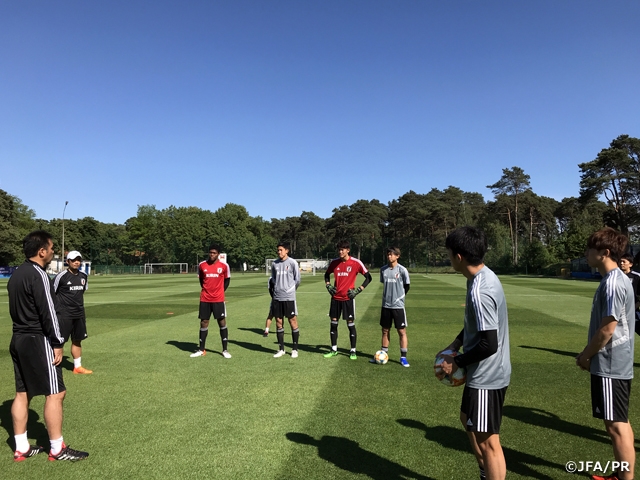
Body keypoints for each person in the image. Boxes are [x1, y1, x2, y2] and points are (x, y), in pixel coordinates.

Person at [8, 230, 88, 462]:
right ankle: (57, 448)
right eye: (51, 247)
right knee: (56, 392)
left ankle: (21, 447)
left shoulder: (16, 274)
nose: (53, 251)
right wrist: (57, 342)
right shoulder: (39, 275)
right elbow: (49, 312)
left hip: (18, 338)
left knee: (22, 393)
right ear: (41, 251)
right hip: (38, 339)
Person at [437, 227, 510, 480]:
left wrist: (455, 362)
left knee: (489, 442)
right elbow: (476, 325)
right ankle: (485, 473)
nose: (448, 257)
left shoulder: (481, 289)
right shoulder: (479, 278)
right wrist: (455, 344)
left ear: (458, 257)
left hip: (487, 376)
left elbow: (489, 344)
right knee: (466, 418)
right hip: (482, 373)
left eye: (448, 253)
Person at [576, 228, 635, 480]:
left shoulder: (612, 283)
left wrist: (585, 355)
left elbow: (607, 330)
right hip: (616, 363)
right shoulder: (616, 280)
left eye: (591, 248)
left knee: (615, 426)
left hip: (611, 364)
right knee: (620, 421)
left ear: (605, 253)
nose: (587, 253)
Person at [323, 240, 372, 360]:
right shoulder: (334, 262)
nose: (340, 252)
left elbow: (368, 277)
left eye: (342, 249)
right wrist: (328, 285)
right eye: (339, 249)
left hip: (348, 298)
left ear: (348, 250)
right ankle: (334, 349)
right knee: (333, 323)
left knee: (350, 324)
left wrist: (358, 290)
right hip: (335, 298)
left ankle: (353, 351)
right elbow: (326, 274)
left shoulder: (356, 263)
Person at [370, 246, 411, 367]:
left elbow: (407, 286)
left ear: (397, 256)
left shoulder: (402, 270)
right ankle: (383, 354)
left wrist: (399, 298)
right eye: (388, 254)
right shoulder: (383, 270)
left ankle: (403, 357)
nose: (389, 256)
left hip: (398, 306)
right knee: (385, 330)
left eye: (392, 254)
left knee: (401, 331)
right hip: (386, 305)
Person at [53, 251, 92, 374]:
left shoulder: (83, 276)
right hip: (64, 314)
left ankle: (77, 367)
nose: (76, 262)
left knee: (77, 340)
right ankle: (52, 366)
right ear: (67, 261)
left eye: (78, 260)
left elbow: (81, 292)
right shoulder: (61, 276)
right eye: (74, 260)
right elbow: (51, 293)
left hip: (79, 313)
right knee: (59, 341)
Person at [190, 244, 231, 358]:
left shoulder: (224, 266)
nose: (212, 255)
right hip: (205, 298)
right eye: (210, 252)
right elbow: (202, 280)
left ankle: (225, 350)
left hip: (218, 299)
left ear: (218, 254)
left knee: (221, 321)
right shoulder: (202, 265)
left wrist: (221, 292)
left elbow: (227, 280)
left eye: (214, 253)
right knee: (204, 322)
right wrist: (207, 290)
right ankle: (201, 349)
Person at [270, 242, 301, 358]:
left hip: (289, 298)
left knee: (292, 321)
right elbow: (273, 279)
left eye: (281, 250)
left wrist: (290, 291)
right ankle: (281, 349)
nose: (279, 252)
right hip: (277, 297)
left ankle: (294, 349)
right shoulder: (274, 264)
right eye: (278, 250)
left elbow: (297, 280)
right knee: (278, 322)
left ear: (286, 250)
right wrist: (277, 290)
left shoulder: (292, 263)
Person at [619, 253, 640, 335]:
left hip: (633, 310)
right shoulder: (617, 276)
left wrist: (634, 307)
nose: (621, 263)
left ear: (630, 264)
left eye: (624, 262)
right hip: (619, 311)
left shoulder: (637, 277)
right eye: (620, 261)